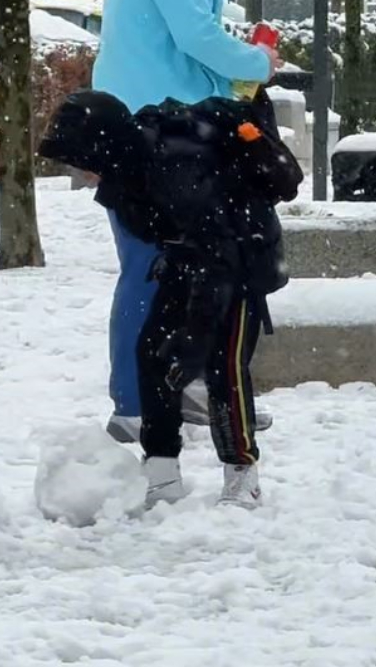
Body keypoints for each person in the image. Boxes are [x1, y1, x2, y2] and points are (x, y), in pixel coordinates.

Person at [39, 87, 302, 509]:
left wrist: (195, 339)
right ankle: (161, 473)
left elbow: (219, 257)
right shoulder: (127, 170)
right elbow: (173, 237)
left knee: (224, 368)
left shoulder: (173, 165)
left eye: (81, 161)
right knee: (153, 355)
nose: (82, 173)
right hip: (191, 260)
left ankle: (242, 474)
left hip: (242, 257)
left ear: (101, 147)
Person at [92, 0, 284, 444]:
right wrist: (257, 62)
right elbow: (194, 36)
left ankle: (174, 385)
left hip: (151, 121)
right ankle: (135, 404)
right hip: (156, 127)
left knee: (182, 263)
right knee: (153, 266)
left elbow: (183, 36)